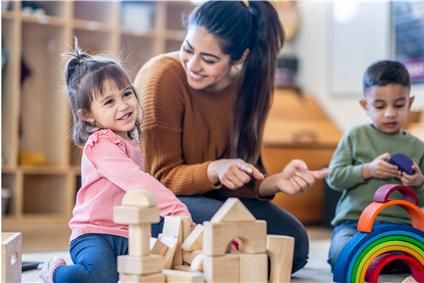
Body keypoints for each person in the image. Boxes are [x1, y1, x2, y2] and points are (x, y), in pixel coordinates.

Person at [134, 0, 328, 273]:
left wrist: (274, 182)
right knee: (239, 236)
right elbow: (159, 179)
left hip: (210, 201)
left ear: (240, 58)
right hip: (156, 203)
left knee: (293, 242)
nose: (193, 65)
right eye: (188, 49)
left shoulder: (250, 88)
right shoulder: (162, 77)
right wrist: (215, 169)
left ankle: (211, 262)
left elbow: (240, 180)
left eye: (210, 59)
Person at [39, 42, 192, 283]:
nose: (123, 105)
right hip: (94, 233)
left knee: (159, 266)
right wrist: (176, 209)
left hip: (129, 231)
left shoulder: (133, 142)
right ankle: (54, 270)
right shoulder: (100, 144)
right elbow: (137, 182)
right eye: (109, 102)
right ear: (87, 114)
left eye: (126, 93)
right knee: (98, 277)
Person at [326, 60, 424, 272]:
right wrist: (367, 170)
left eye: (398, 105)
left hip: (401, 228)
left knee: (419, 255)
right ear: (365, 105)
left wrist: (418, 182)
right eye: (380, 106)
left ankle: (379, 263)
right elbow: (334, 177)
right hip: (355, 224)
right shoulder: (355, 136)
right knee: (340, 254)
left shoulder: (418, 147)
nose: (390, 113)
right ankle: (376, 262)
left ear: (409, 102)